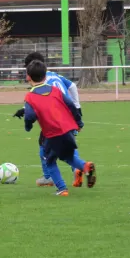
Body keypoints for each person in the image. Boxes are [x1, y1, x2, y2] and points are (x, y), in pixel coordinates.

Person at [23, 60, 96, 196]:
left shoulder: (30, 96)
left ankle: (62, 189)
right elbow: (70, 104)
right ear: (45, 76)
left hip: (52, 133)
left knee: (49, 161)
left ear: (28, 76)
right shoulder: (55, 90)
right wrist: (79, 123)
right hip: (67, 129)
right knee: (68, 157)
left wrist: (27, 127)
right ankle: (85, 166)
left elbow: (29, 116)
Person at [14, 52, 83, 188]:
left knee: (46, 147)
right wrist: (78, 108)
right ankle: (77, 168)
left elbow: (41, 100)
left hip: (54, 117)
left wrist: (28, 116)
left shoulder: (42, 82)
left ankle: (50, 177)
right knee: (68, 143)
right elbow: (72, 87)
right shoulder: (54, 75)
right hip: (69, 114)